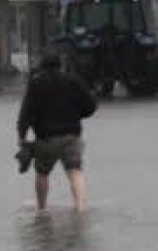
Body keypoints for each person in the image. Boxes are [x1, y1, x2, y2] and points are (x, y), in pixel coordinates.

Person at [16, 52, 97, 212]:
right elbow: (91, 106)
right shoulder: (73, 80)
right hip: (71, 136)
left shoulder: (36, 83)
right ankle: (81, 207)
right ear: (60, 65)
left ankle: (41, 209)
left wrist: (22, 135)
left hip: (46, 139)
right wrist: (77, 114)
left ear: (42, 66)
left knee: (42, 173)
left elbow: (26, 112)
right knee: (75, 171)